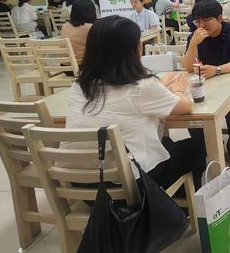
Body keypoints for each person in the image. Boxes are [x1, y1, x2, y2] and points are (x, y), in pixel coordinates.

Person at [64, 15, 206, 190]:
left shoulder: (79, 83)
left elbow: (127, 99)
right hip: (127, 186)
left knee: (166, 145)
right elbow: (186, 106)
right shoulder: (142, 86)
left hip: (82, 185)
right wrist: (177, 88)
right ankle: (177, 211)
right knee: (195, 148)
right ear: (137, 48)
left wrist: (160, 86)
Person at [182, 0, 230, 167]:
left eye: (206, 20)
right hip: (208, 87)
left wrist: (218, 70)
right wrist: (193, 44)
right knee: (191, 114)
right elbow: (187, 67)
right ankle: (209, 149)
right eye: (197, 21)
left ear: (220, 18)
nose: (201, 25)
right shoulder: (195, 36)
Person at [61, 0, 97, 64]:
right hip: (84, 67)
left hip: (65, 66)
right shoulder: (91, 27)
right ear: (92, 11)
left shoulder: (65, 26)